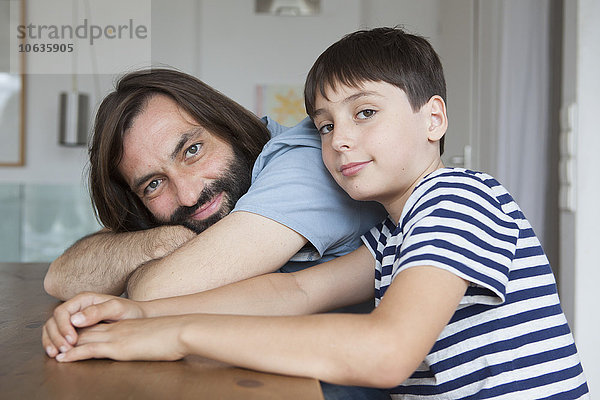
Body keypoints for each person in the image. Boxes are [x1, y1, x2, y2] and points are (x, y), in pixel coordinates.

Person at [42, 27, 589, 399]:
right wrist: (139, 317)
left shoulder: (460, 200)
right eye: (326, 125)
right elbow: (294, 294)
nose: (341, 141)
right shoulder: (396, 233)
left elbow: (387, 352)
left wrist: (181, 333)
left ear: (434, 119)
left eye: (366, 113)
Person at [43, 68, 386, 301]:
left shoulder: (308, 162)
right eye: (153, 184)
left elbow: (155, 290)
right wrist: (165, 240)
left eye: (192, 151)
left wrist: (135, 272)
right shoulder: (189, 214)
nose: (189, 194)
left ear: (228, 127)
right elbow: (60, 277)